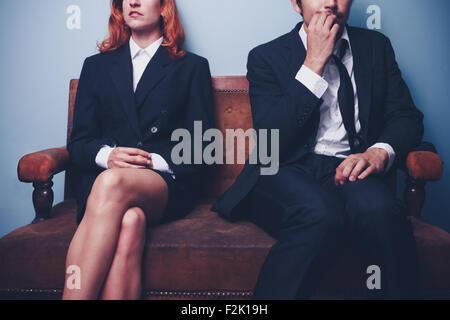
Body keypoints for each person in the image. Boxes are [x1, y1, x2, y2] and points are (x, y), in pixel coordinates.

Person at [212, 0, 424, 299]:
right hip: (284, 168)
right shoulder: (267, 56)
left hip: (351, 167)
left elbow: (406, 117)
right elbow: (273, 140)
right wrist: (314, 62)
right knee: (320, 214)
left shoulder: (376, 47)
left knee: (380, 211)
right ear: (296, 4)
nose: (330, 3)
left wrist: (379, 152)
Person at [63, 0, 213, 299]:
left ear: (164, 7)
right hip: (103, 188)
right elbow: (79, 142)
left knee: (112, 181)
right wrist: (109, 156)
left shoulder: (192, 66)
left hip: (163, 183)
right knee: (130, 221)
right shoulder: (96, 66)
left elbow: (203, 146)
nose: (133, 1)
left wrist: (150, 160)